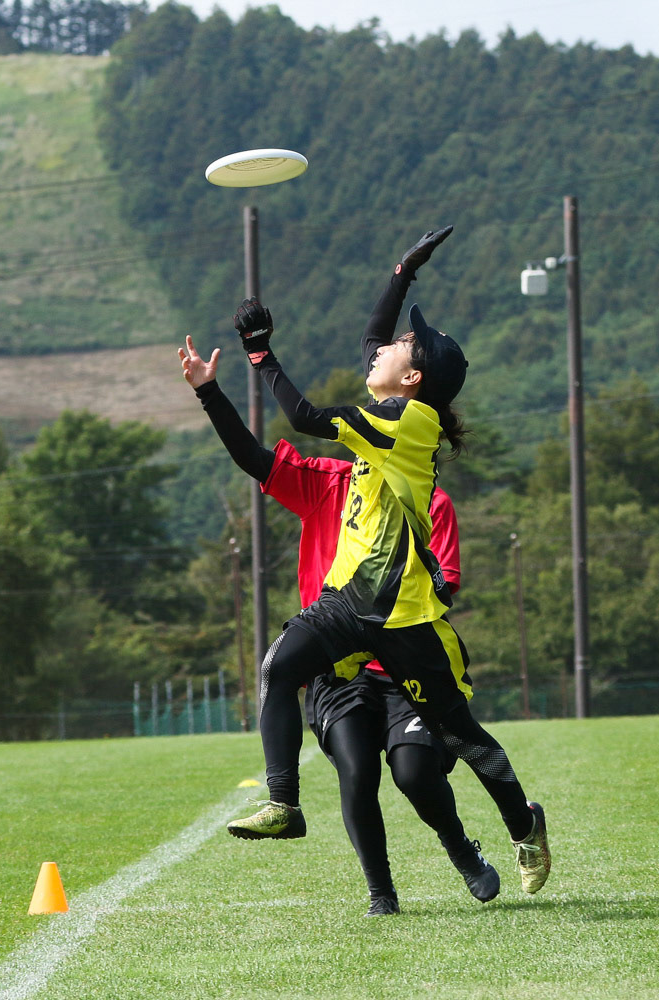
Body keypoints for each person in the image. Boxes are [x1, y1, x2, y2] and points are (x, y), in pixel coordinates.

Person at [218, 227, 551, 894]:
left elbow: (304, 416)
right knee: (279, 668)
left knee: (464, 735)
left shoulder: (408, 422)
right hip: (349, 600)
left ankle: (524, 823)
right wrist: (402, 272)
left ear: (413, 376)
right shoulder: (395, 401)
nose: (380, 349)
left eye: (400, 347)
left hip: (401, 616)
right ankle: (284, 802)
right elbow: (373, 335)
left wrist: (262, 357)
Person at [179, 335, 499, 915]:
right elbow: (251, 456)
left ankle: (462, 851)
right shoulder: (327, 481)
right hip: (335, 666)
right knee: (356, 772)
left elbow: (444, 585)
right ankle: (381, 894)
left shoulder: (429, 499)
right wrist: (209, 391)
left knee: (415, 774)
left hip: (400, 664)